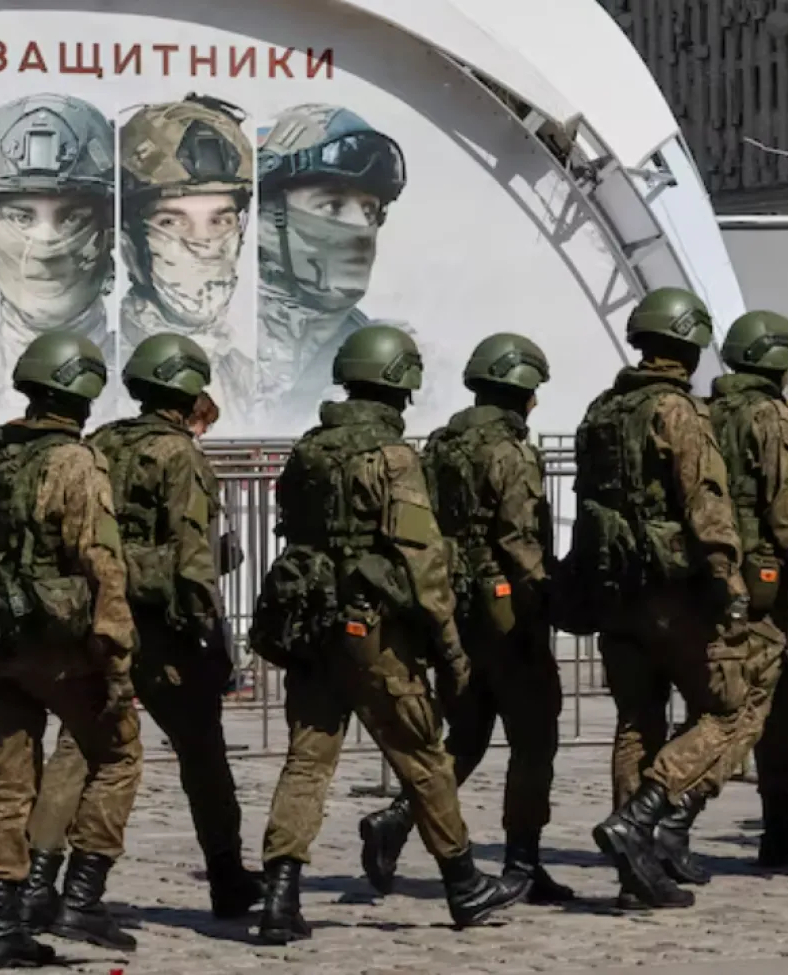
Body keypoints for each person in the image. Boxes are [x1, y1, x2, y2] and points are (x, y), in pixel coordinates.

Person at [250, 325, 525, 939]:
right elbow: (423, 562)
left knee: (307, 761)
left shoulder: (310, 449)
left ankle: (279, 896)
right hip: (373, 635)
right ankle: (463, 884)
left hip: (312, 627)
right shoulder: (394, 458)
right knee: (423, 757)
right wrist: (451, 647)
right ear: (401, 383)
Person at [19, 334, 262, 930]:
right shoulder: (179, 455)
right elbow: (192, 557)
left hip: (100, 621)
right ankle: (227, 878)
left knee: (77, 751)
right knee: (202, 757)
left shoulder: (99, 442)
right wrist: (209, 632)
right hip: (165, 630)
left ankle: (36, 883)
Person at [564, 287, 785, 910]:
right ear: (688, 345)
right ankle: (644, 816)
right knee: (727, 709)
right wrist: (730, 581)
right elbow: (705, 501)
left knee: (637, 721)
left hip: (617, 589)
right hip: (674, 592)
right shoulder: (675, 410)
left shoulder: (601, 411)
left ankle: (635, 872)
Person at [0, 331, 141, 969]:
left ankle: (0, 927)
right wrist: (117, 652)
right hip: (57, 646)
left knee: (8, 781)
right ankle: (81, 894)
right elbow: (100, 560)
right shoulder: (76, 463)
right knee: (120, 755)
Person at [357, 333, 573, 904]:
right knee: (534, 736)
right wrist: (547, 595)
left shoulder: (440, 445)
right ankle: (523, 862)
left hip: (455, 606)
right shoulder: (511, 452)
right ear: (520, 388)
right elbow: (518, 537)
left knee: (470, 732)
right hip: (506, 611)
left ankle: (400, 817)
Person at [701, 310, 788, 870]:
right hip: (758, 590)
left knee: (717, 700)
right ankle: (663, 818)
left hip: (706, 584)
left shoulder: (703, 415)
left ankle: (773, 829)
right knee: (766, 704)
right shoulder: (768, 417)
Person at [254, 104, 408, 424]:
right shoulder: (222, 342)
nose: (360, 228)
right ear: (268, 211)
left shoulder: (389, 356)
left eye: (369, 211)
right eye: (332, 206)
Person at [0, 94, 115, 405]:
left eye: (73, 217)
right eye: (20, 217)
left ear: (110, 234)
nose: (46, 248)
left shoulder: (137, 381)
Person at [119, 95, 256, 406]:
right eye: (172, 221)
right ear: (129, 240)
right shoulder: (104, 380)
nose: (203, 245)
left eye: (220, 220)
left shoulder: (249, 384)